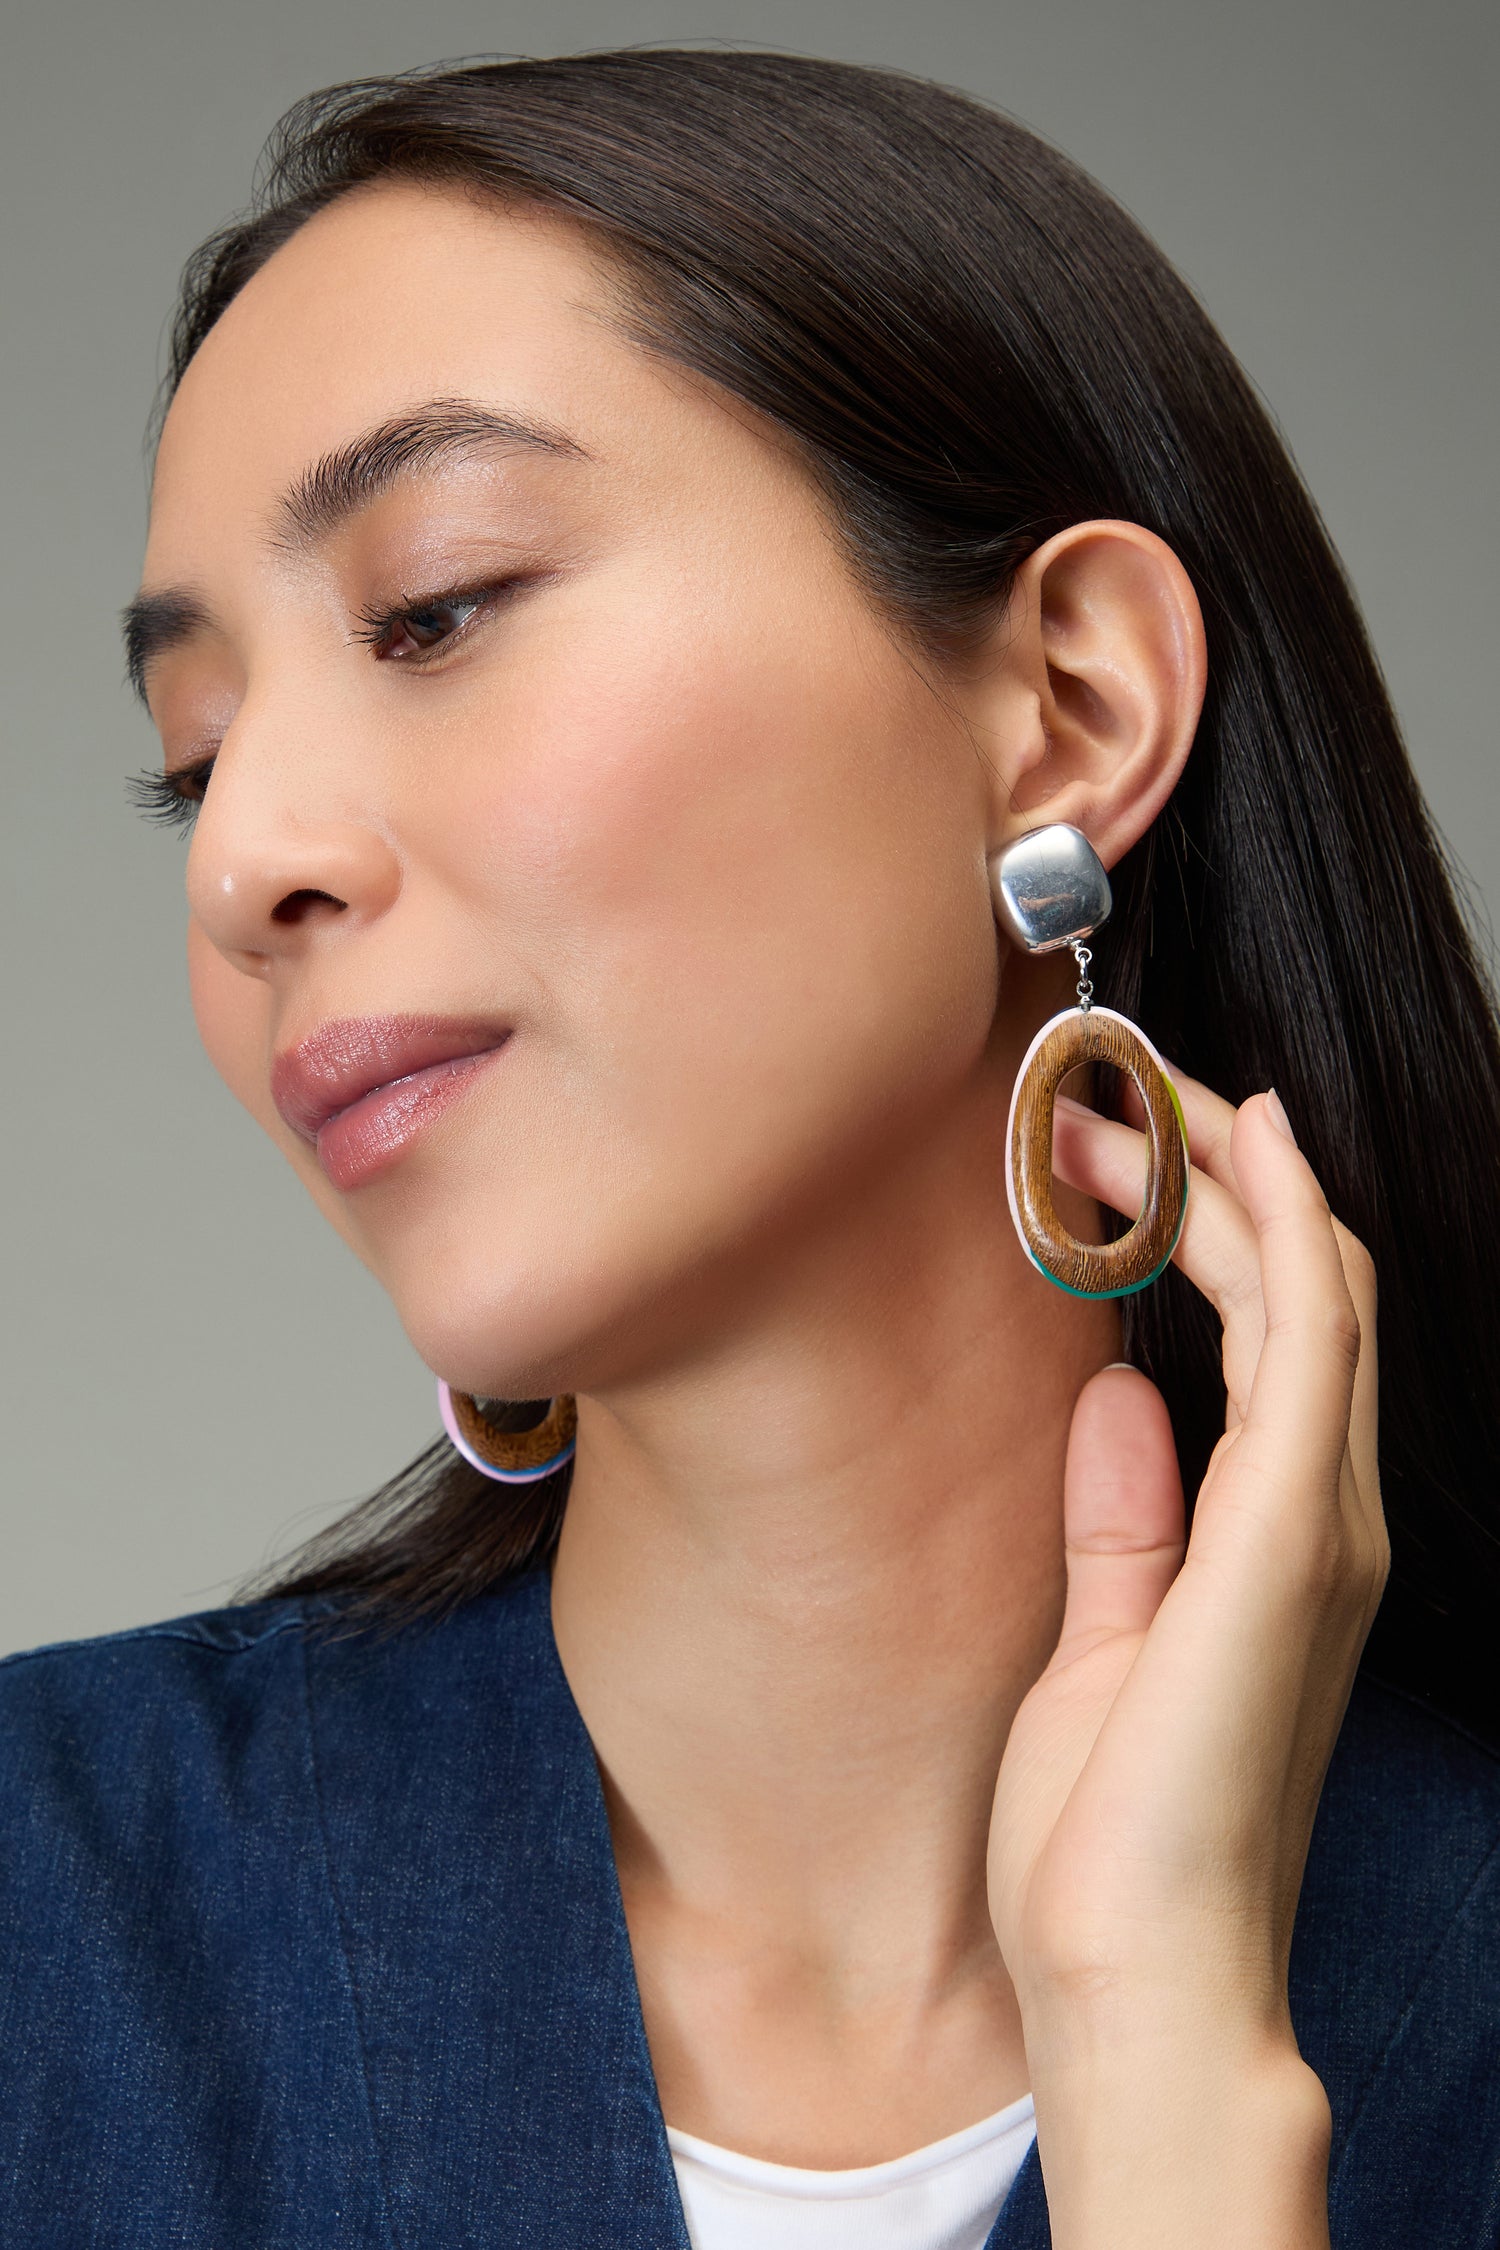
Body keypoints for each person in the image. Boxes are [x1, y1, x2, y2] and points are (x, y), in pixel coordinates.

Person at [3, 47, 1498, 2250]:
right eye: (194, 756)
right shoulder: (47, 1911)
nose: (245, 860)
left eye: (438, 608)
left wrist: (1172, 2091)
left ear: (1073, 706)